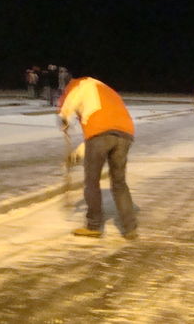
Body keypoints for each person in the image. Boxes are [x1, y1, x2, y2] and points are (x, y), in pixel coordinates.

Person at [58, 76, 137, 239]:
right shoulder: (105, 89)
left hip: (100, 133)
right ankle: (130, 228)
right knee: (119, 183)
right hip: (125, 133)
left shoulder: (78, 85)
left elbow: (69, 106)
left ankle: (93, 225)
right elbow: (104, 130)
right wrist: (77, 154)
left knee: (92, 182)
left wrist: (64, 117)